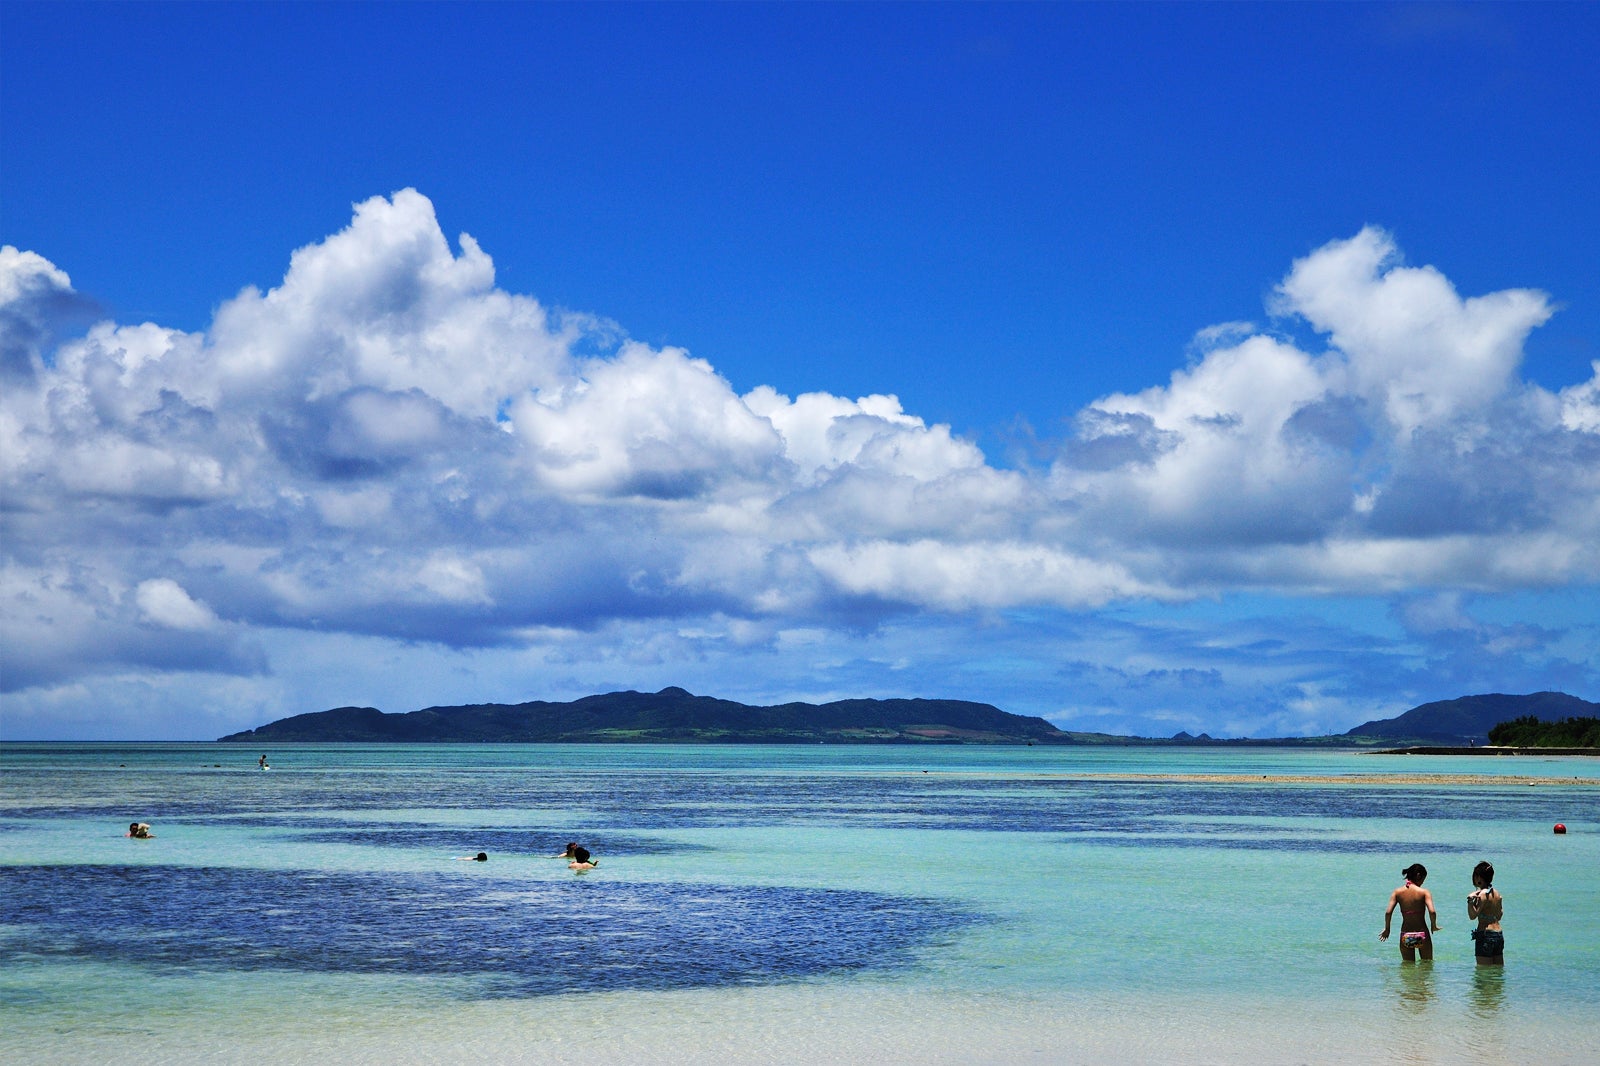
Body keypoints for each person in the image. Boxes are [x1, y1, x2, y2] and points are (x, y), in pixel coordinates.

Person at [1380, 863, 1439, 960]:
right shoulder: (1424, 892)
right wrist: (1434, 925)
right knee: (1427, 965)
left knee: (1407, 968)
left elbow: (1388, 913)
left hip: (1406, 934)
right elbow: (1432, 912)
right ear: (1419, 876)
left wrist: (1387, 929)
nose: (1422, 883)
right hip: (1422, 933)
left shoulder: (1397, 892)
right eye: (1423, 880)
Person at [1468, 860, 1504, 965]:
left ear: (1479, 877)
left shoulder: (1482, 895)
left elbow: (1472, 915)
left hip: (1485, 935)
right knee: (1497, 971)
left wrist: (1470, 901)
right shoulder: (1497, 894)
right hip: (1498, 934)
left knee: (1483, 973)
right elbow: (1499, 915)